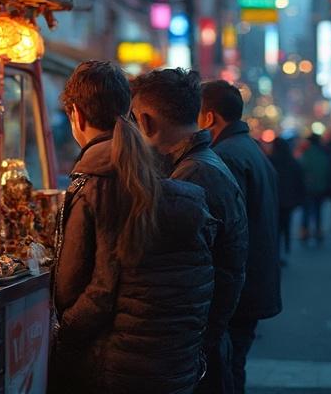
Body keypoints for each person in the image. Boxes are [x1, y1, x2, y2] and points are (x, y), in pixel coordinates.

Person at [51, 61, 218, 394]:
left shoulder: (93, 187)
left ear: (77, 117)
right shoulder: (180, 190)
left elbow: (83, 290)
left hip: (119, 368)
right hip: (175, 365)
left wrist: (60, 333)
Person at [131, 68, 248, 394]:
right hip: (205, 340)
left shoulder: (193, 177)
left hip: (196, 345)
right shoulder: (200, 165)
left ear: (147, 122)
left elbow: (189, 278)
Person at [199, 80, 282, 394]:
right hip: (254, 281)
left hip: (239, 286)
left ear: (208, 118)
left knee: (226, 368)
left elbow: (226, 231)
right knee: (234, 364)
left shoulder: (225, 157)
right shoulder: (250, 150)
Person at [267, 137, 305, 262]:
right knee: (285, 225)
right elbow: (299, 181)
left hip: (273, 200)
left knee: (274, 227)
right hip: (288, 200)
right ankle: (283, 249)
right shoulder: (293, 162)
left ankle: (275, 252)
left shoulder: (270, 161)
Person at [299, 134, 331, 242]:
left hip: (308, 188)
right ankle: (318, 231)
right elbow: (327, 171)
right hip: (320, 187)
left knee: (306, 211)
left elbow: (301, 169)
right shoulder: (323, 154)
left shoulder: (306, 154)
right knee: (318, 211)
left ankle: (305, 232)